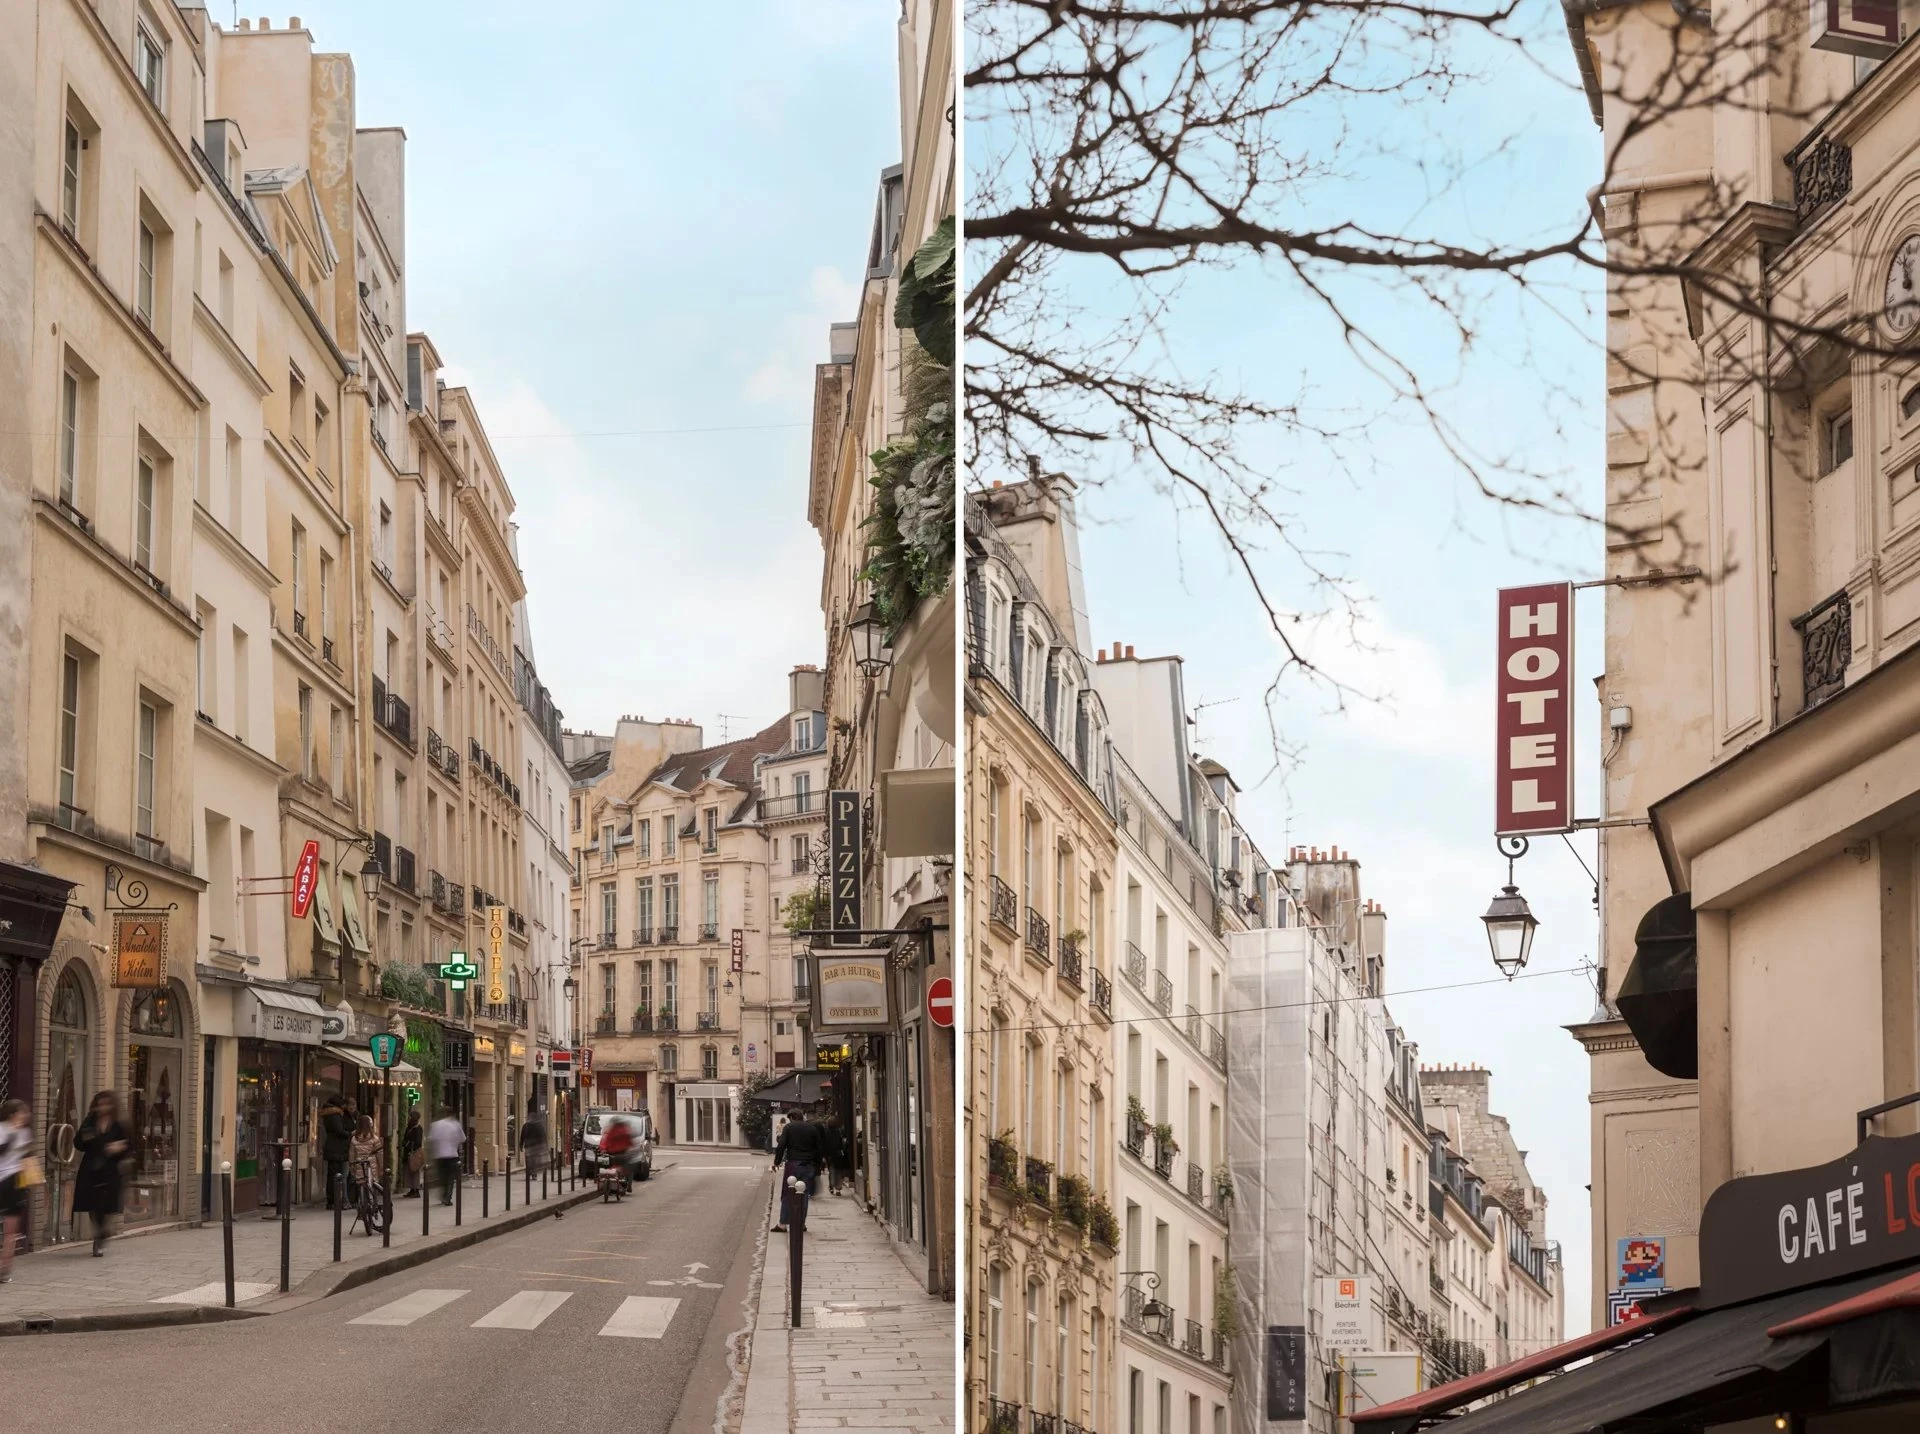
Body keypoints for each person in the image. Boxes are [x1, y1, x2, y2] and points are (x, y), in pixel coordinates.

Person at [72, 1091, 131, 1257]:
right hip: (91, 1168)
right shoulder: (90, 1121)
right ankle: (98, 1237)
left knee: (109, 1205)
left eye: (106, 1103)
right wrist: (86, 1137)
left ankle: (104, 1232)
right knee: (93, 1204)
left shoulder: (119, 1124)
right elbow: (78, 1144)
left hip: (111, 1169)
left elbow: (130, 1145)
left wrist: (120, 1147)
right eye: (100, 1104)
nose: (103, 1107)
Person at [770, 1110, 828, 1233]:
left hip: (793, 1164)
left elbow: (781, 1146)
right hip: (808, 1165)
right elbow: (819, 1148)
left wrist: (776, 1162)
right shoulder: (812, 1129)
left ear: (792, 1117)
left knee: (787, 1194)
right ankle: (801, 1224)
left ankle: (783, 1224)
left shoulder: (789, 1127)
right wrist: (817, 1165)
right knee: (803, 1195)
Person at [0, 1100, 33, 1284]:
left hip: (15, 1183)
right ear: (12, 1114)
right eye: (22, 1113)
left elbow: (27, 1159)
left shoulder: (25, 1132)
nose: (25, 1117)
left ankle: (5, 1269)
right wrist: (13, 1137)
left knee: (10, 1230)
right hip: (1, 1180)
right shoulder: (2, 1129)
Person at [319, 1095, 354, 1209]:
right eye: (343, 1104)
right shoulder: (335, 1115)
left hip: (334, 1148)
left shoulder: (329, 1114)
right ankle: (334, 1200)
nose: (345, 1107)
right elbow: (339, 1130)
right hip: (337, 1149)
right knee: (336, 1175)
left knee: (333, 1174)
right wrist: (349, 1134)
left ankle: (333, 1200)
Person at [427, 1106, 464, 1206]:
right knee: (450, 1178)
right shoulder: (455, 1124)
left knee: (442, 1176)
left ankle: (443, 1195)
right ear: (451, 1114)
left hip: (440, 1155)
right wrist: (454, 1143)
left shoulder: (435, 1125)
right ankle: (447, 1197)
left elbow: (431, 1139)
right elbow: (463, 1138)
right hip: (452, 1154)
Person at [348, 1113, 382, 1210]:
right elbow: (380, 1153)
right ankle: (374, 1205)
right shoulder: (374, 1139)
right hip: (371, 1165)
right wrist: (382, 1166)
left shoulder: (354, 1139)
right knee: (372, 1185)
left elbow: (351, 1153)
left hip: (359, 1164)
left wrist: (352, 1165)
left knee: (361, 1185)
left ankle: (362, 1206)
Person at [597, 1114, 635, 1191]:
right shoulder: (625, 1130)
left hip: (612, 1155)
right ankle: (629, 1184)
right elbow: (630, 1143)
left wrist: (604, 1150)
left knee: (606, 1167)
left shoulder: (611, 1131)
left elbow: (606, 1142)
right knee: (630, 1168)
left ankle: (608, 1181)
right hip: (623, 1155)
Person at [399, 1109, 424, 1198]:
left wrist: (407, 1144)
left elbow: (417, 1142)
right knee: (408, 1171)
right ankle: (411, 1189)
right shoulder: (409, 1127)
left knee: (414, 1170)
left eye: (410, 1117)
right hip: (408, 1152)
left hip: (414, 1153)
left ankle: (416, 1190)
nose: (408, 1118)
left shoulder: (418, 1128)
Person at [520, 1104, 548, 1178]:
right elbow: (543, 1135)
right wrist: (545, 1145)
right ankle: (533, 1174)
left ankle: (529, 1173)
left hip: (529, 1146)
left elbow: (522, 1136)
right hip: (536, 1146)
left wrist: (521, 1145)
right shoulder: (539, 1125)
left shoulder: (526, 1125)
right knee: (534, 1161)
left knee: (528, 1160)